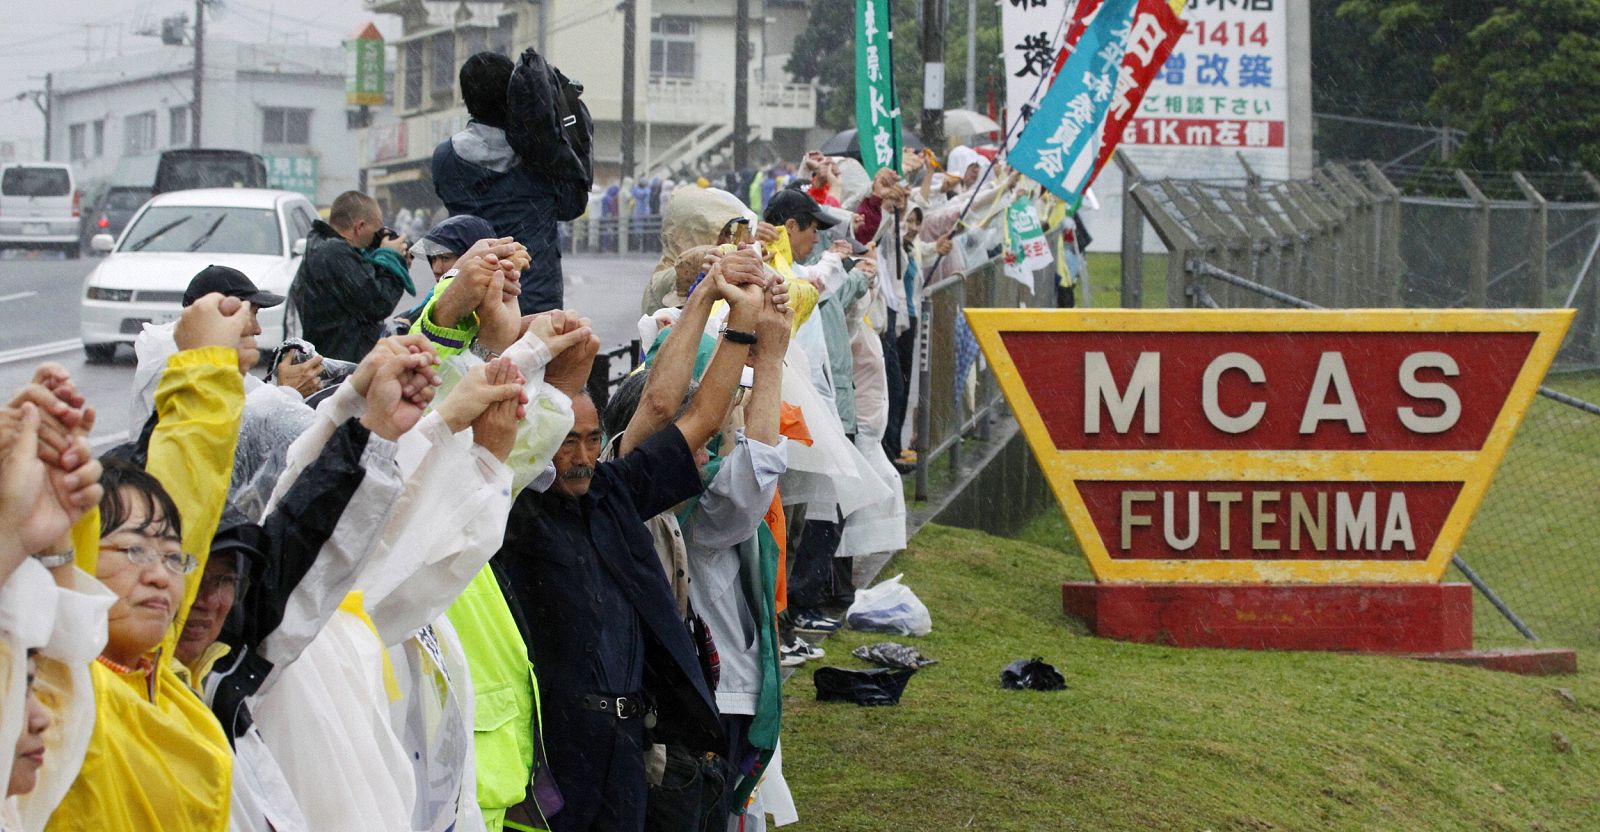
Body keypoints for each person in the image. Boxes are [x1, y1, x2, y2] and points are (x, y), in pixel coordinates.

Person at [493, 249, 780, 832]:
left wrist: (729, 315)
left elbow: (695, 415)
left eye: (590, 439)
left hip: (629, 745)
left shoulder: (613, 492)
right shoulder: (516, 514)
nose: (578, 458)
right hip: (556, 749)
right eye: (564, 441)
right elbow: (653, 406)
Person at [49, 293, 253, 832]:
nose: (161, 573)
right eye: (134, 549)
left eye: (172, 557)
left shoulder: (162, 683)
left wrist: (212, 367)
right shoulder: (59, 691)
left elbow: (191, 489)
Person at [433, 52, 565, 314]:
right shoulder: (541, 155)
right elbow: (569, 203)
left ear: (466, 100)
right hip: (537, 299)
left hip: (474, 297)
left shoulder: (446, 158)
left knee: (473, 355)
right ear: (513, 95)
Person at [285, 190, 414, 362]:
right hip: (340, 364)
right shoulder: (335, 253)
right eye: (375, 231)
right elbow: (378, 303)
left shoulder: (320, 247)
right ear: (359, 227)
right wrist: (392, 259)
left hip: (329, 356)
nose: (375, 238)